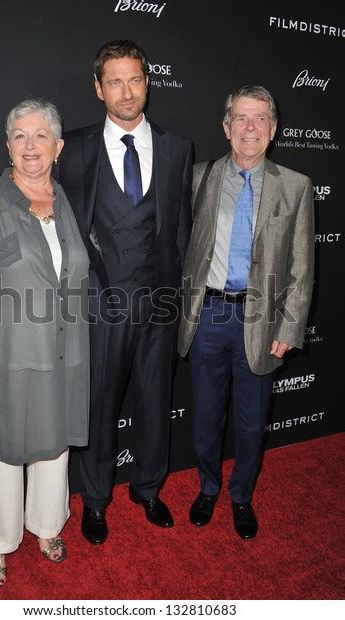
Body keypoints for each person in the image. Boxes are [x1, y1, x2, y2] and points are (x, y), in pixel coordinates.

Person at [0, 40, 193, 545]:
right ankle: (97, 501)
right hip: (98, 309)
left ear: (147, 82)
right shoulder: (75, 146)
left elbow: (181, 233)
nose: (126, 91)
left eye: (134, 79)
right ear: (98, 89)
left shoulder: (179, 148)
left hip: (158, 305)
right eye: (114, 81)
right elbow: (23, 170)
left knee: (156, 403)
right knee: (98, 407)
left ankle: (150, 489)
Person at [0, 99, 89, 587]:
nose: (31, 146)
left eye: (41, 135)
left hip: (65, 353)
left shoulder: (66, 199)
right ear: (7, 146)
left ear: (58, 147)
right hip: (5, 355)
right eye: (20, 136)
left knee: (55, 449)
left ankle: (47, 525)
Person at [178, 85, 314, 539]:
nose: (249, 128)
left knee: (253, 423)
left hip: (262, 323)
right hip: (208, 316)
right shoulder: (199, 177)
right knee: (205, 417)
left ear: (273, 129)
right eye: (240, 118)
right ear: (226, 127)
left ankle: (240, 496)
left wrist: (290, 325)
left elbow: (301, 266)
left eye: (259, 119)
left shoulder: (295, 187)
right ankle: (208, 487)